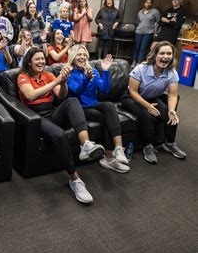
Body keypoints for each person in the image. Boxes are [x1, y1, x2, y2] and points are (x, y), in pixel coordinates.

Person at [17, 47, 105, 203]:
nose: (41, 61)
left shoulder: (49, 74)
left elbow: (61, 95)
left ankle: (85, 145)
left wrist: (63, 83)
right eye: (37, 59)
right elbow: (30, 95)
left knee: (72, 100)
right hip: (35, 117)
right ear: (29, 62)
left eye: (42, 59)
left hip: (51, 112)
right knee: (59, 134)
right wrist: (57, 81)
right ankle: (75, 179)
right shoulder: (23, 77)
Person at [66, 45, 130, 173]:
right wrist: (86, 79)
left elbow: (105, 90)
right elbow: (76, 91)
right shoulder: (69, 73)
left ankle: (118, 148)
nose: (82, 57)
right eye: (79, 54)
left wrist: (105, 71)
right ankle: (108, 158)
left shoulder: (93, 71)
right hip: (79, 108)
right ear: (72, 57)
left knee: (109, 106)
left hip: (94, 104)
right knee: (107, 117)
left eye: (84, 55)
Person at [121, 41, 186, 164]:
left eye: (169, 53)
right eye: (162, 53)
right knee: (146, 115)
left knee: (170, 114)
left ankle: (170, 143)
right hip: (131, 97)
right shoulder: (141, 68)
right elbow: (133, 92)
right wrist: (147, 106)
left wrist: (172, 109)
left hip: (152, 97)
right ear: (155, 54)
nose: (165, 56)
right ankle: (148, 146)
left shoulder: (172, 72)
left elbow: (172, 95)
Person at [132, 0, 161, 68]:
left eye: (149, 2)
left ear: (152, 4)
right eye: (146, 2)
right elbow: (138, 22)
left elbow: (158, 23)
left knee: (143, 49)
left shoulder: (155, 12)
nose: (148, 4)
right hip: (138, 32)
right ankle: (134, 61)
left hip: (148, 33)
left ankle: (139, 63)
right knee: (136, 48)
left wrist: (156, 33)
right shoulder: (140, 12)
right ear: (144, 3)